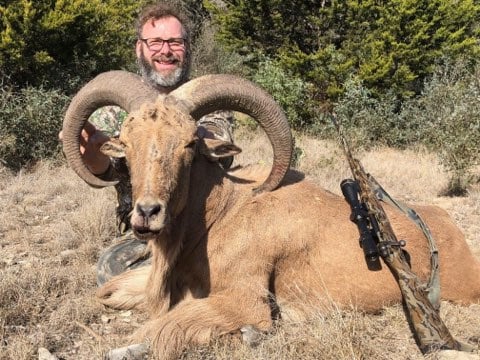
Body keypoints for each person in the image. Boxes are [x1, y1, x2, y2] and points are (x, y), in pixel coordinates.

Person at [60, 2, 235, 285]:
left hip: (204, 224)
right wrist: (95, 156)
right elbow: (107, 171)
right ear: (139, 48)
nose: (165, 50)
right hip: (143, 224)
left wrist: (183, 135)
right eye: (155, 42)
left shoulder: (207, 102)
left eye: (175, 42)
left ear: (187, 48)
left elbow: (222, 151)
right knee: (111, 270)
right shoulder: (115, 111)